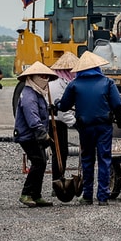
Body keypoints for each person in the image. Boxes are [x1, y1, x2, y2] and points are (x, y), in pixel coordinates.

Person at [57, 51, 121, 206]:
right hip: (104, 127)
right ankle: (103, 197)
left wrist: (56, 103)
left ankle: (87, 195)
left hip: (85, 128)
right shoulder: (107, 83)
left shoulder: (74, 84)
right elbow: (117, 104)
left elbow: (64, 106)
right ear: (97, 67)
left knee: (87, 160)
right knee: (104, 160)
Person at [13, 61, 58, 207]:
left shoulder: (37, 93)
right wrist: (41, 132)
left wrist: (50, 108)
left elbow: (40, 111)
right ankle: (26, 193)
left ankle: (36, 194)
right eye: (42, 76)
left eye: (46, 76)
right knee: (39, 162)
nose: (45, 79)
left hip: (34, 134)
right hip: (28, 135)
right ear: (33, 77)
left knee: (42, 162)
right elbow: (32, 116)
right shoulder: (28, 95)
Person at [47, 52, 78, 187]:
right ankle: (57, 182)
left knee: (60, 152)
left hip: (58, 120)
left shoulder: (64, 82)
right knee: (59, 152)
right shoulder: (57, 84)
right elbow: (62, 111)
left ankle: (58, 180)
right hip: (54, 121)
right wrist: (76, 123)